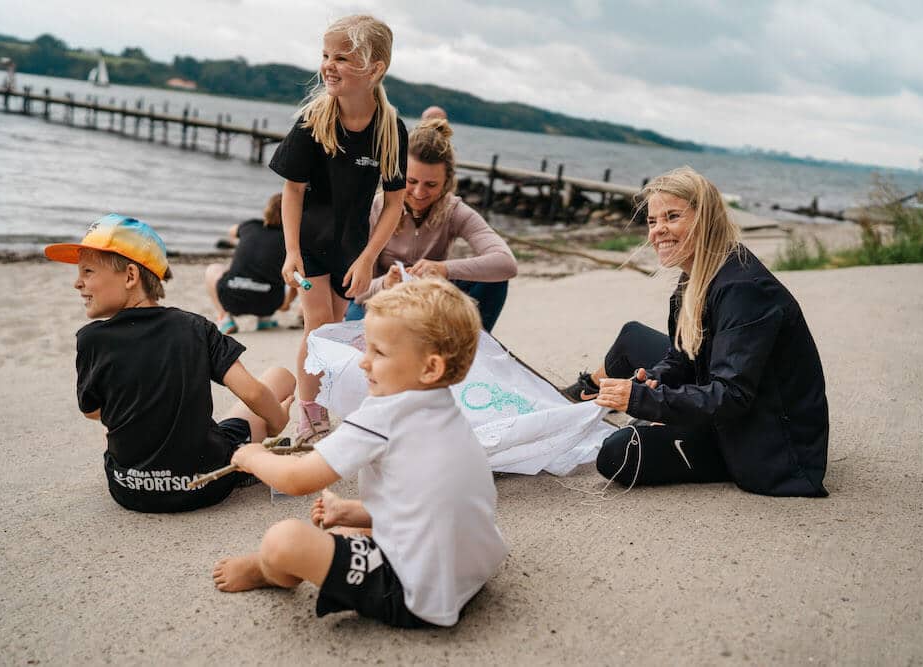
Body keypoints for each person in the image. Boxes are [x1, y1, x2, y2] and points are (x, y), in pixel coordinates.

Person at [212, 279, 507, 628]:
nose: (364, 363)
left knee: (284, 540)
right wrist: (353, 511)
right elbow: (423, 497)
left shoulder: (384, 414)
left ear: (430, 367)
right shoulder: (446, 410)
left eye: (378, 353)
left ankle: (270, 571)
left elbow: (297, 479)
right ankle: (355, 523)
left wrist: (250, 455)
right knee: (340, 533)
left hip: (415, 592)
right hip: (471, 563)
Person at [563, 167, 829, 497]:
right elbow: (684, 355)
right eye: (652, 221)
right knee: (632, 338)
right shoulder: (699, 271)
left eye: (672, 217)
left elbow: (732, 395)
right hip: (728, 403)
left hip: (769, 446)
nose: (658, 231)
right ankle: (583, 395)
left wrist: (646, 401)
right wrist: (655, 380)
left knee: (617, 454)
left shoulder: (745, 290)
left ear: (706, 219)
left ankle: (638, 414)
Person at [45, 214, 296, 513]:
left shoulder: (90, 340)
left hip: (129, 489)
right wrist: (278, 421)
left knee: (118, 424)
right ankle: (240, 456)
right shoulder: (195, 328)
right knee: (280, 376)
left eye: (87, 271)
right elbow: (252, 393)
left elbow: (94, 412)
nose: (77, 283)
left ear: (129, 276)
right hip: (205, 484)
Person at [268, 14, 408, 448]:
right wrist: (291, 252)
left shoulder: (390, 130)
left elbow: (395, 202)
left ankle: (322, 403)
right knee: (318, 327)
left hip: (351, 246)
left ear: (374, 69)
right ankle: (309, 418)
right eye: (326, 55)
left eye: (342, 58)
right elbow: (292, 190)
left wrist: (368, 258)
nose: (329, 64)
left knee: (334, 326)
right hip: (309, 240)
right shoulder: (314, 120)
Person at [346, 117, 517, 331]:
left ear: (446, 183)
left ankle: (471, 348)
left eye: (431, 184)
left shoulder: (454, 211)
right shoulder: (374, 209)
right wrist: (385, 284)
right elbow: (355, 290)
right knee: (354, 327)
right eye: (411, 181)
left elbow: (506, 264)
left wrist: (444, 269)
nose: (419, 193)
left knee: (494, 280)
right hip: (381, 297)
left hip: (431, 298)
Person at [204, 193, 297, 334]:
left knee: (213, 269)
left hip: (232, 299)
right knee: (288, 273)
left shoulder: (251, 226)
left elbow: (231, 231)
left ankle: (225, 318)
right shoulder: (292, 239)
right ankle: (264, 319)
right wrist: (287, 303)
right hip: (270, 303)